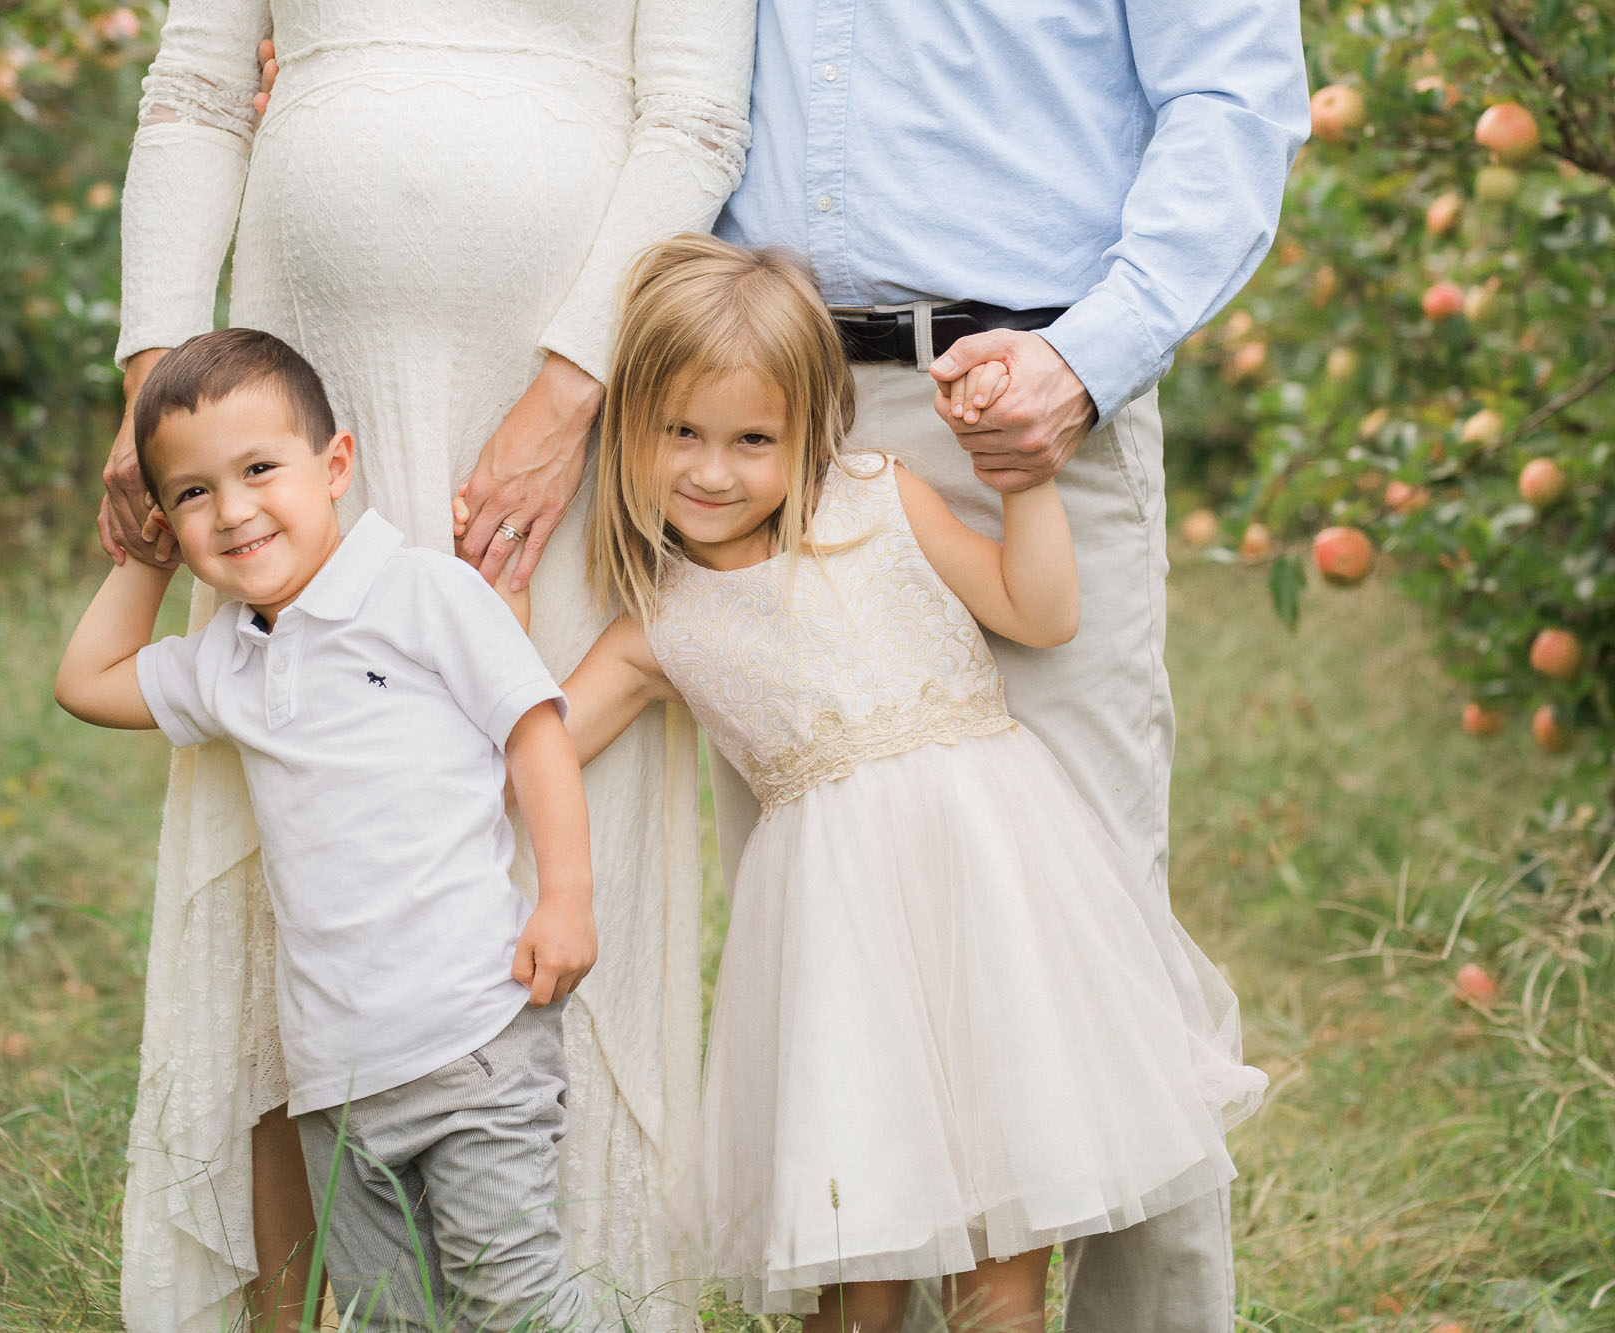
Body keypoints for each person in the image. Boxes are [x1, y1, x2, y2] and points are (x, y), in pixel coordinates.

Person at [462, 235, 1267, 1331]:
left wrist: (1021, 486)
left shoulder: (877, 500)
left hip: (986, 898)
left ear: (809, 431)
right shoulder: (658, 622)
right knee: (855, 1259)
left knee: (1000, 1259)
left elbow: (1037, 614)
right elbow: (537, 750)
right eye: (679, 434)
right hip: (833, 953)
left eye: (751, 439)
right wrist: (499, 642)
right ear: (630, 430)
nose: (710, 468)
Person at [105, 6, 754, 1330]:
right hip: (305, 371)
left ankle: (582, 1297)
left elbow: (693, 118)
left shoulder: (567, 404)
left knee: (546, 810)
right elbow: (194, 89)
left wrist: (568, 395)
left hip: (555, 380)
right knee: (291, 830)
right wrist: (154, 374)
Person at [707, 3, 1311, 1324]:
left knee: (1091, 941)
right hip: (759, 417)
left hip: (1025, 396)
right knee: (831, 933)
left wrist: (1084, 360)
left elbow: (1233, 101)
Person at [58, 329, 611, 1333]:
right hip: (336, 1081)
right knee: (389, 1319)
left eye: (259, 469)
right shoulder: (224, 657)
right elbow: (85, 683)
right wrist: (143, 551)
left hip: (474, 1033)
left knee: (519, 1303)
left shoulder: (419, 591)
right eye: (190, 493)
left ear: (335, 465)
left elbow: (535, 729)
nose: (230, 511)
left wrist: (566, 896)